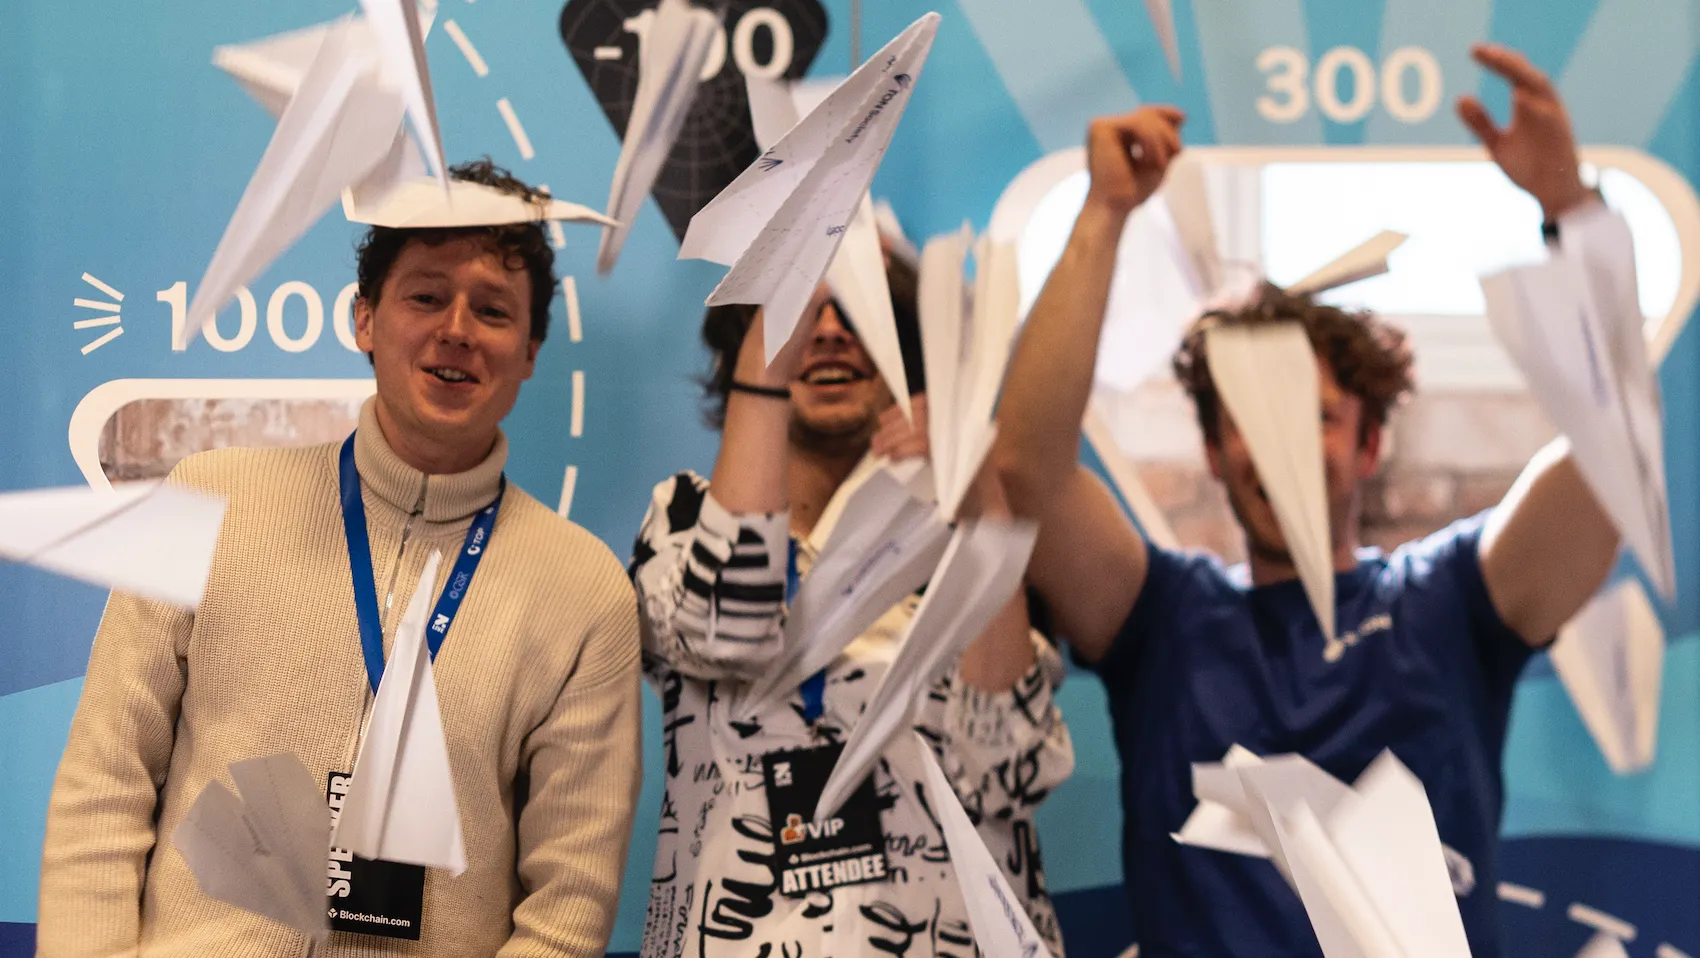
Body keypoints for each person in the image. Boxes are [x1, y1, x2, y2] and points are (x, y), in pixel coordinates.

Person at [995, 45, 1620, 958]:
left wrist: (1573, 211)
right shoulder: (1163, 617)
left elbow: (1611, 467)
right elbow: (1025, 472)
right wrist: (1104, 213)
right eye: (1252, 416)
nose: (1281, 441)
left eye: (1315, 415)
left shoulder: (1448, 602)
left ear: (1368, 445)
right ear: (1215, 450)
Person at [38, 160, 642, 957]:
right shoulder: (207, 499)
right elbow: (104, 785)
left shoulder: (584, 592)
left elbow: (568, 907)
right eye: (425, 296)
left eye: (493, 310)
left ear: (529, 351)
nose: (457, 329)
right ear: (365, 319)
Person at [628, 258, 1074, 957]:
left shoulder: (968, 533)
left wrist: (981, 502)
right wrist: (765, 373)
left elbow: (1009, 770)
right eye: (801, 310)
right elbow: (723, 633)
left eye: (864, 314)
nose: (830, 331)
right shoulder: (685, 518)